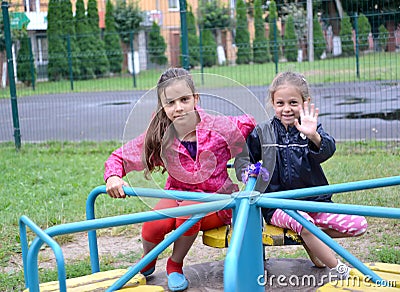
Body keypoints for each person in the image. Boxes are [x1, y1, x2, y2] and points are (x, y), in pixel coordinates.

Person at [104, 68, 256, 291]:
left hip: (216, 203)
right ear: (163, 107)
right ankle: (148, 260)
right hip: (177, 195)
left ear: (195, 99)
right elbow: (120, 156)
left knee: (188, 210)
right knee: (154, 224)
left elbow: (249, 123)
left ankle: (174, 265)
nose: (178, 108)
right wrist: (113, 176)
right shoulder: (159, 136)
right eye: (170, 103)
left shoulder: (218, 128)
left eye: (184, 99)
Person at [235, 71, 368, 279]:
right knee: (304, 222)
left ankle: (311, 239)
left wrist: (313, 135)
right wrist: (248, 172)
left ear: (305, 102)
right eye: (280, 103)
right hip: (278, 205)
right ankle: (338, 269)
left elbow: (327, 150)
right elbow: (243, 160)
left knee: (359, 225)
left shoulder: (310, 128)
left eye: (293, 102)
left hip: (313, 202)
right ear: (272, 103)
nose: (286, 108)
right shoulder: (263, 132)